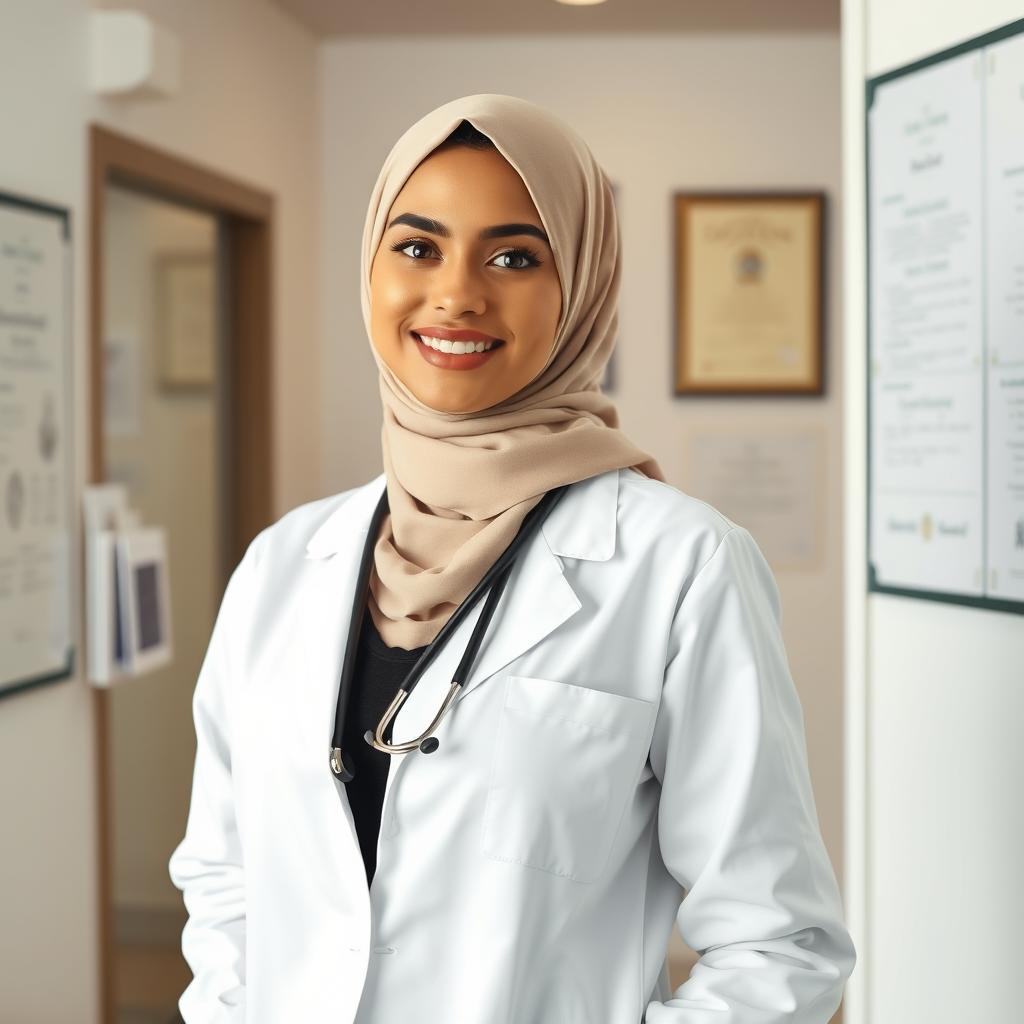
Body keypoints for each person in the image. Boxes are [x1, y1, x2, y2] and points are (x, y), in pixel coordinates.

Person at [169, 93, 856, 1024]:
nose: (456, 292)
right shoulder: (285, 562)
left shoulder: (681, 565)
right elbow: (225, 872)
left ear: (581, 285)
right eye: (417, 247)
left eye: (514, 256)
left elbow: (779, 943)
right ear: (369, 271)